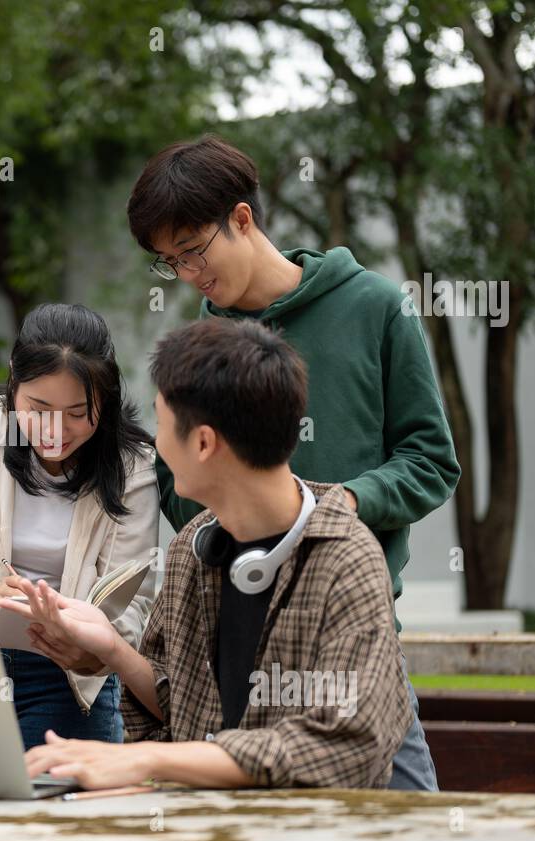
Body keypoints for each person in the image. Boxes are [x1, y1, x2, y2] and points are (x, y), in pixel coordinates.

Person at [125, 134, 460, 790]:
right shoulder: (201, 344)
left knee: (408, 835)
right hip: (234, 636)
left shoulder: (376, 307)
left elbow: (430, 460)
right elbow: (179, 485)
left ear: (243, 219)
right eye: (170, 262)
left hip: (352, 635)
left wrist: (342, 506)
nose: (188, 273)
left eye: (193, 250)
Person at [0, 319, 412, 790]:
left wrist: (151, 761)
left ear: (202, 443)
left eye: (161, 423)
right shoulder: (192, 550)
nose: (154, 448)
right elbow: (179, 705)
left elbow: (344, 746)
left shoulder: (346, 559)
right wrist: (110, 646)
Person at [0, 303, 159, 748]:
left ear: (104, 399)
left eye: (78, 412)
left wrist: (90, 650)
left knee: (63, 812)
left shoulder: (134, 465)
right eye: (38, 408)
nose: (56, 429)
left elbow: (131, 595)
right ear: (14, 378)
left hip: (72, 679)